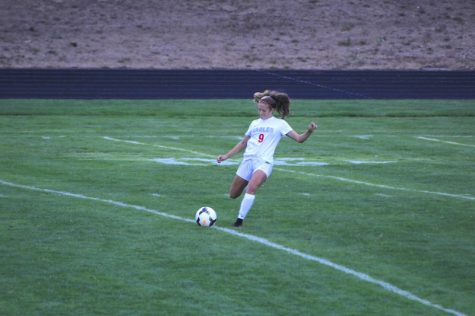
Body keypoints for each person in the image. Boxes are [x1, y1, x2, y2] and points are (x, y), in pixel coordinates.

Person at [217, 90, 317, 227]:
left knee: (251, 188)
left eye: (264, 110)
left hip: (264, 162)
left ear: (272, 109)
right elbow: (242, 143)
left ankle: (239, 221)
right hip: (247, 161)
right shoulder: (254, 123)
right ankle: (250, 181)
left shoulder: (280, 124)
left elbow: (299, 139)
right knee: (233, 195)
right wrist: (226, 156)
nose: (261, 113)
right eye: (259, 110)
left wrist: (309, 131)